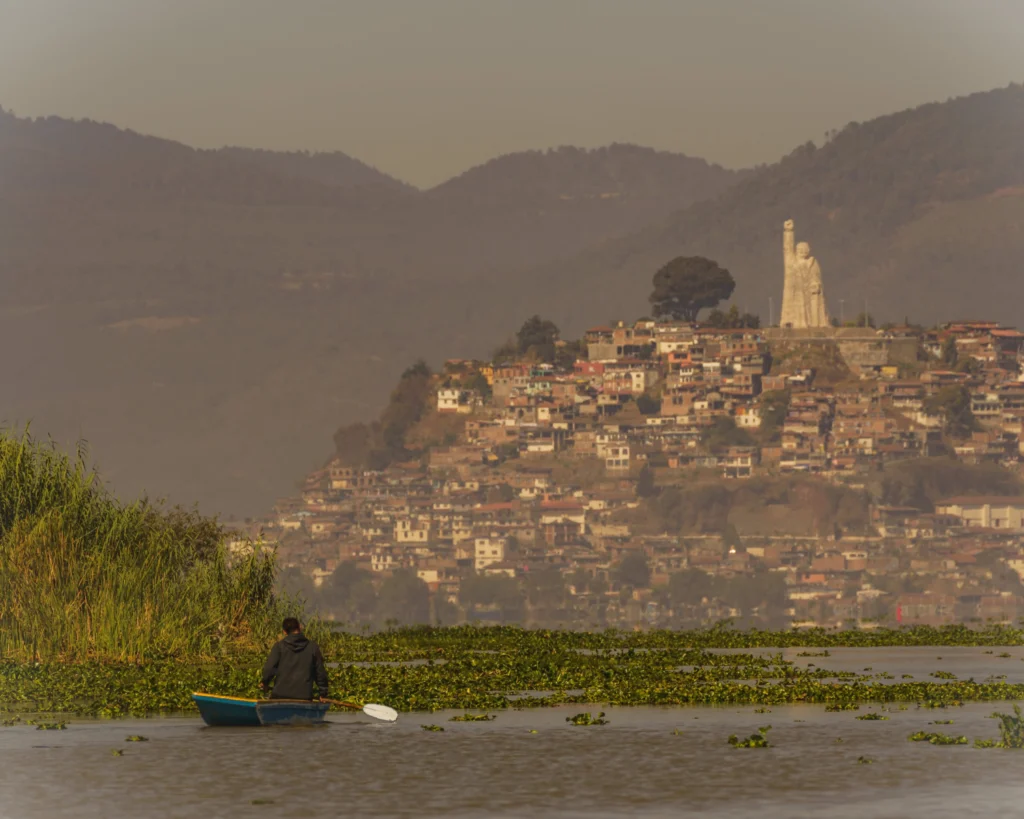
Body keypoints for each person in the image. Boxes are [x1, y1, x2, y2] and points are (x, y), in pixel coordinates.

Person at [260, 617, 329, 701]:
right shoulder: (313, 647)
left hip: (280, 696)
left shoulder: (279, 647)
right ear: (299, 627)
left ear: (284, 632)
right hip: (304, 697)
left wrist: (265, 682)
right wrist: (323, 693)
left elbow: (269, 668)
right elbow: (320, 673)